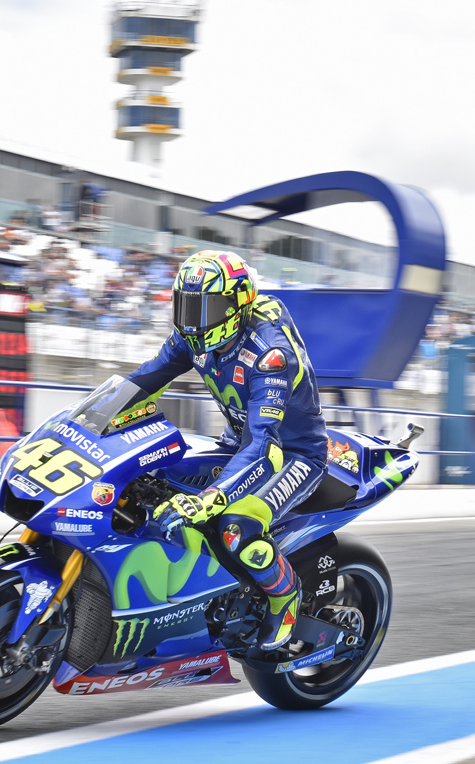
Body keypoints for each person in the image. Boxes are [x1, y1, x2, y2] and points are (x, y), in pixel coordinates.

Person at [126, 250, 327, 651]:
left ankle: (283, 597)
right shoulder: (193, 335)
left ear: (236, 306)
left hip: (292, 453)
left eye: (207, 308)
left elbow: (263, 444)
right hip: (236, 442)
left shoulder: (269, 354)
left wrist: (211, 498)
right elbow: (147, 378)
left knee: (236, 525)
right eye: (186, 306)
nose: (193, 320)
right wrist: (89, 416)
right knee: (151, 481)